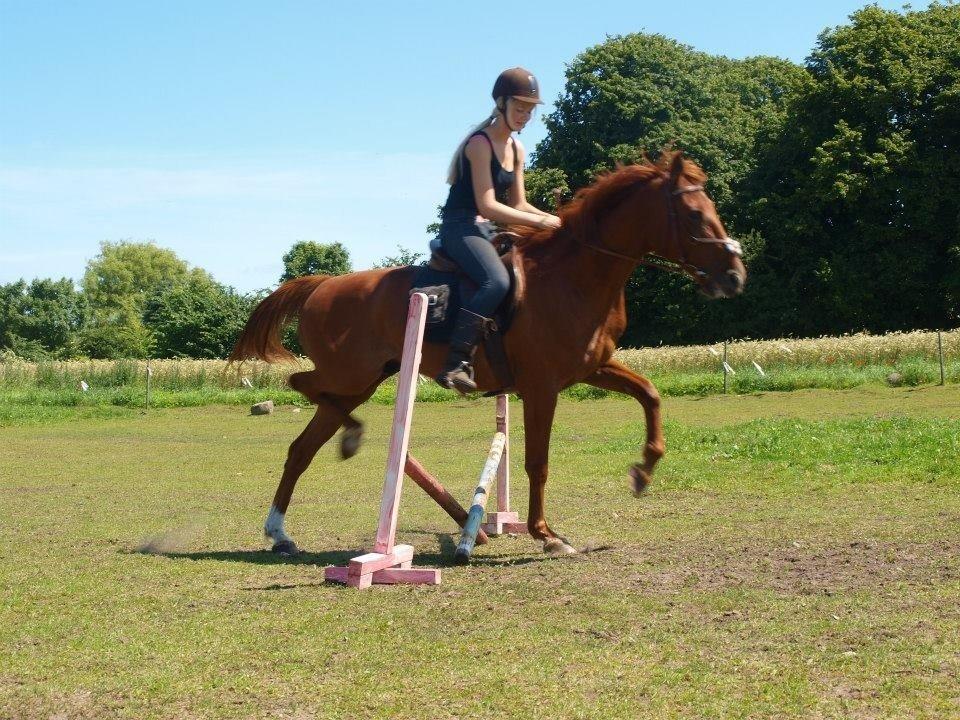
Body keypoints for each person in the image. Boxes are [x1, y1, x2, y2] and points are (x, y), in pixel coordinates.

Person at [435, 67, 561, 394]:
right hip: (459, 226)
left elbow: (519, 205)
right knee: (497, 281)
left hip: (486, 229)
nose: (525, 116)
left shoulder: (517, 149)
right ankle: (456, 362)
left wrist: (558, 222)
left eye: (530, 110)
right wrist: (543, 222)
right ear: (501, 103)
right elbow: (488, 205)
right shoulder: (479, 144)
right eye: (520, 108)